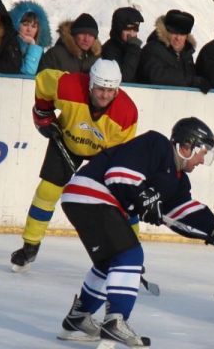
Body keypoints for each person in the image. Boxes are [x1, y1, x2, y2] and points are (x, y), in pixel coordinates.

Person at [56, 117, 214, 349]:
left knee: (110, 262)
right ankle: (115, 323)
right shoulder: (155, 145)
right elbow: (119, 174)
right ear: (186, 147)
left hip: (87, 199)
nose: (202, 161)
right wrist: (144, 198)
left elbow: (183, 212)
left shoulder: (177, 180)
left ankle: (79, 317)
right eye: (201, 153)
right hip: (91, 192)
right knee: (130, 255)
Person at [10, 59, 137, 272]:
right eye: (100, 89)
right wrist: (43, 115)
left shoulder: (126, 113)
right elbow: (43, 80)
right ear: (91, 84)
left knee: (124, 199)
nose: (104, 95)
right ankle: (30, 246)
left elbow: (121, 155)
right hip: (67, 141)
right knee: (48, 190)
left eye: (110, 90)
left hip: (104, 154)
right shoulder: (69, 86)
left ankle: (130, 253)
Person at [139, 9, 208, 92]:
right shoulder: (152, 49)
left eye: (182, 34)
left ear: (187, 36)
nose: (178, 38)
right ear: (166, 32)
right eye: (174, 33)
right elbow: (157, 76)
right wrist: (192, 81)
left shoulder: (186, 54)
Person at [8, 0, 51, 75]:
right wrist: (33, 45)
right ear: (17, 25)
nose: (29, 30)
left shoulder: (39, 51)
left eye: (33, 26)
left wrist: (33, 46)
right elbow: (28, 72)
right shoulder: (9, 46)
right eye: (25, 24)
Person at [102, 6, 144, 83]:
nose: (132, 34)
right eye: (128, 29)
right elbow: (123, 79)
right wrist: (133, 49)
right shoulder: (109, 50)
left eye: (135, 29)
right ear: (118, 29)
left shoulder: (136, 49)